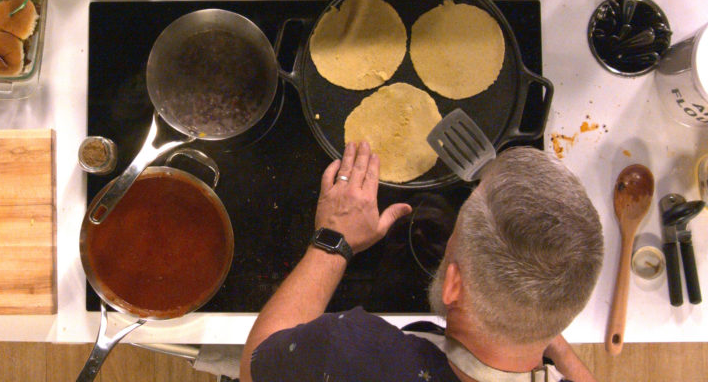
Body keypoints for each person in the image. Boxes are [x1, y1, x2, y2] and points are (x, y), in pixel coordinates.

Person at [240, 141, 603, 382]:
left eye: (454, 234)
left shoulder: (355, 354)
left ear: (453, 285)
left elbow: (256, 363)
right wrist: (539, 327)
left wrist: (334, 239)